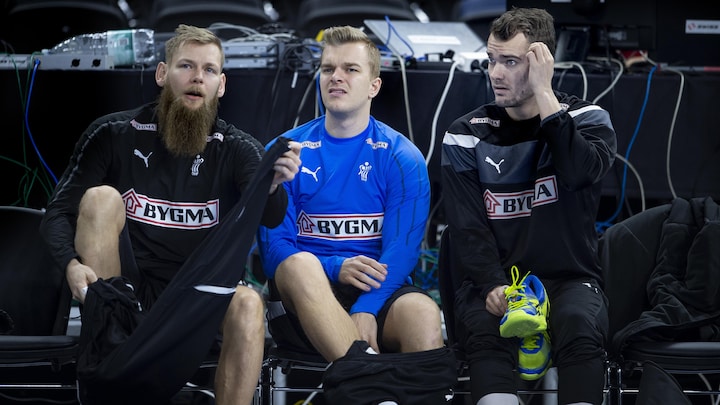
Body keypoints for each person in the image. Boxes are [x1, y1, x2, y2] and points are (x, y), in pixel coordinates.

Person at [39, 24, 301, 405]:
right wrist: (70, 265)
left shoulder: (238, 148)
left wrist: (273, 185)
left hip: (200, 298)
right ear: (162, 74)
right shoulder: (113, 133)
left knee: (248, 304)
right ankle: (114, 376)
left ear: (221, 85)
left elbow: (272, 218)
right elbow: (57, 213)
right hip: (129, 295)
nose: (197, 78)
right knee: (99, 199)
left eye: (209, 70)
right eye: (186, 66)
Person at [257, 26, 454, 403]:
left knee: (423, 312)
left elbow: (402, 252)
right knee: (300, 264)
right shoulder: (286, 152)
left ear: (374, 86)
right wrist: (335, 267)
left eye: (350, 69)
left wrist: (366, 308)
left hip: (377, 293)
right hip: (303, 300)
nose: (336, 77)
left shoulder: (402, 156)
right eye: (328, 69)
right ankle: (374, 389)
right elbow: (273, 253)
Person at [441, 7, 617, 405]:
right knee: (486, 332)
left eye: (510, 62)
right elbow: (468, 227)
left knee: (580, 324)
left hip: (569, 278)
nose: (495, 73)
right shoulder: (465, 134)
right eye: (491, 60)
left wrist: (544, 94)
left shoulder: (588, 119)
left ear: (542, 63)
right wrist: (492, 284)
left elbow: (578, 173)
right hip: (495, 281)